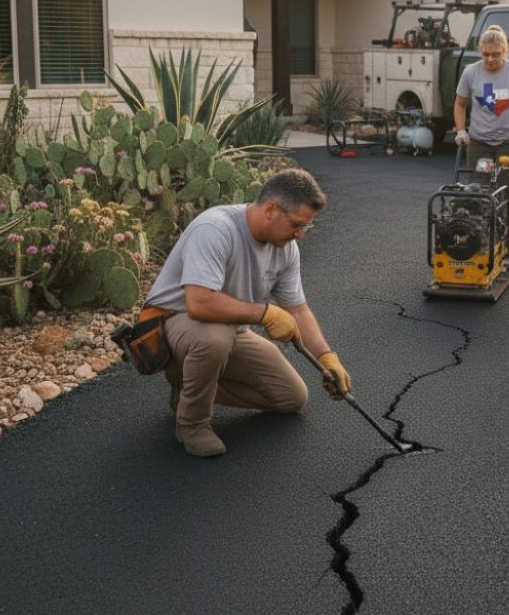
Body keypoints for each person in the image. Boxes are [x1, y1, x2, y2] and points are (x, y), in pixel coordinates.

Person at [143, 169, 352, 457]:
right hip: (175, 323)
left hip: (230, 327)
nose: (300, 234)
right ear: (270, 209)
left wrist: (327, 358)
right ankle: (191, 424)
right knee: (213, 341)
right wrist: (264, 313)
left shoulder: (286, 249)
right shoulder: (216, 229)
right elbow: (199, 303)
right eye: (296, 225)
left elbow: (298, 310)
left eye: (306, 227)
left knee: (291, 397)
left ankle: (186, 385)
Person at [454, 24, 509, 271]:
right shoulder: (470, 72)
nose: (490, 59)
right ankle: (478, 245)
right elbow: (459, 103)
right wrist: (460, 131)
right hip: (480, 143)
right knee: (476, 193)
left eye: (495, 54)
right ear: (480, 51)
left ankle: (508, 251)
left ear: (504, 51)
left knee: (507, 195)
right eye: (485, 54)